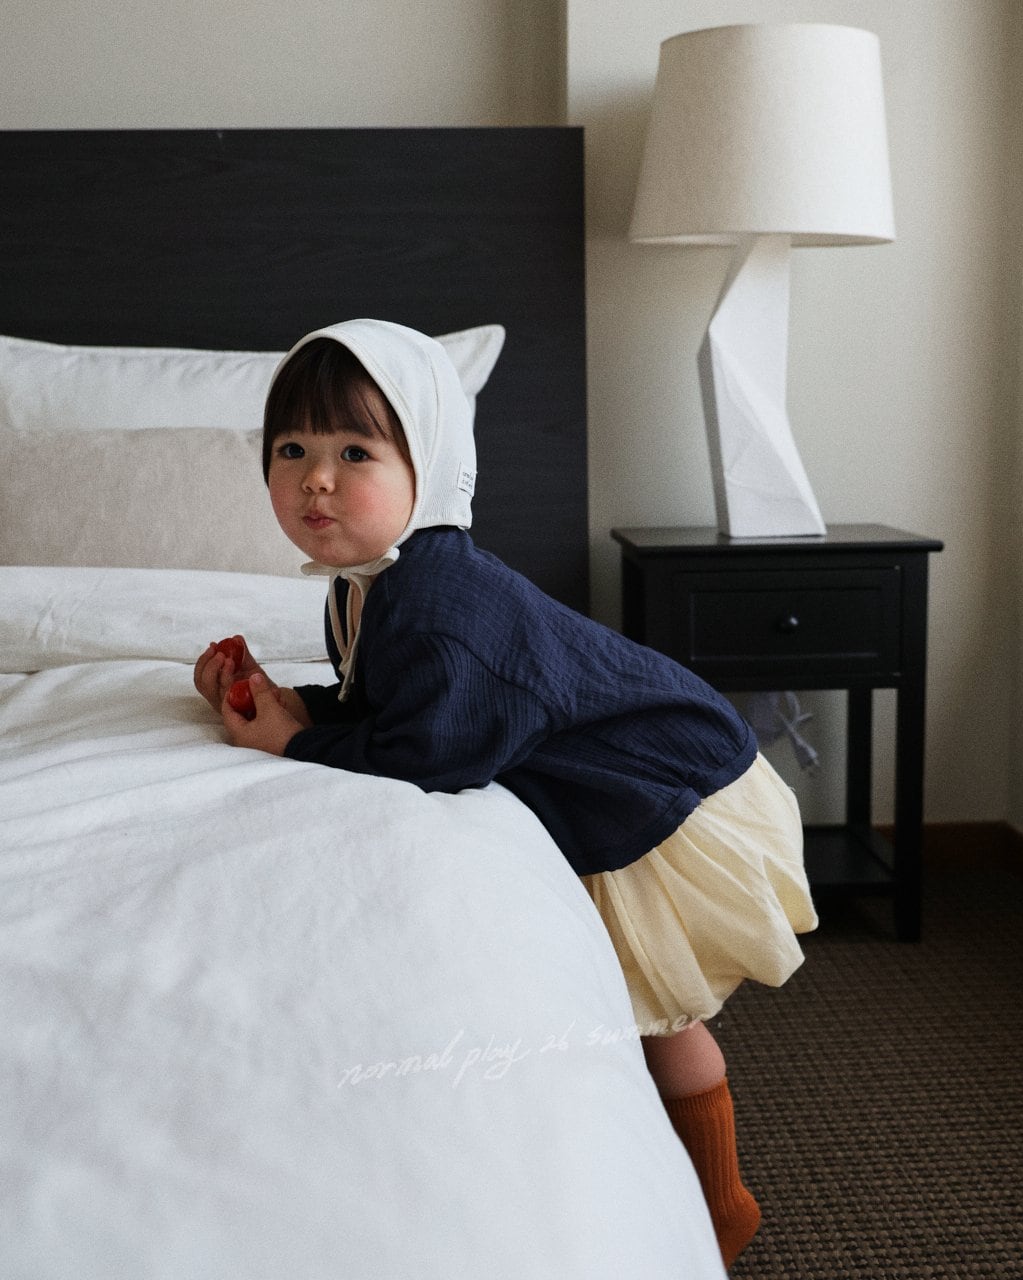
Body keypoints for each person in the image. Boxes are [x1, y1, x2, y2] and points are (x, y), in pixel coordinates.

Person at [194, 319, 818, 1268]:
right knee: (647, 1013)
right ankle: (694, 1186)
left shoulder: (437, 604)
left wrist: (294, 742)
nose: (315, 479)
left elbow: (431, 751)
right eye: (292, 451)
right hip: (625, 766)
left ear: (430, 463)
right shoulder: (366, 582)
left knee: (660, 1012)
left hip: (665, 784)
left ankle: (719, 1200)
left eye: (354, 452)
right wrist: (294, 701)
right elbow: (388, 698)